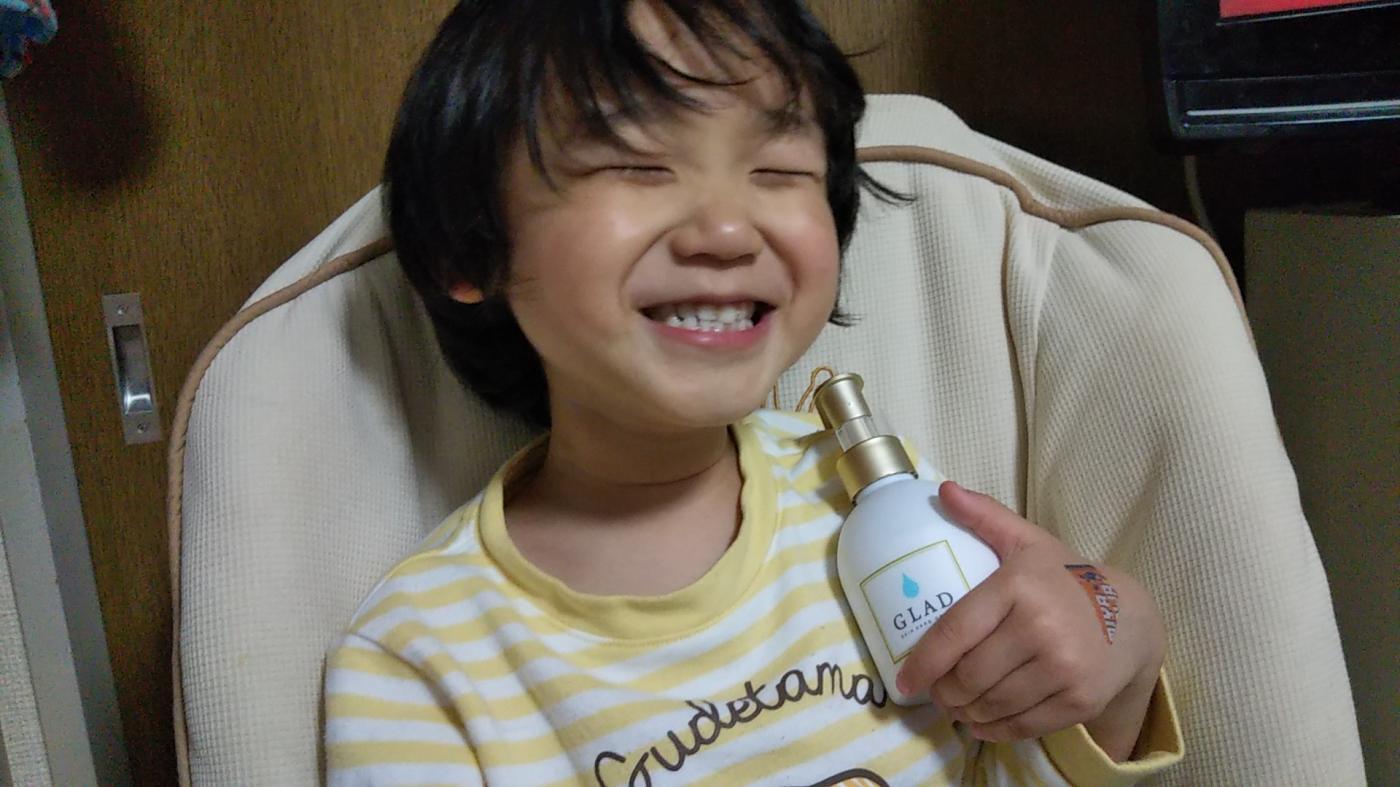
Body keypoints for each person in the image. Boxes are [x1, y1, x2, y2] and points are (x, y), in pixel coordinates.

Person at [323, 1, 1183, 783]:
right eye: (636, 163)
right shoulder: (422, 661)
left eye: (777, 170)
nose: (728, 229)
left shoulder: (868, 499)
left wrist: (1120, 645)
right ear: (470, 248)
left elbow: (1020, 754)